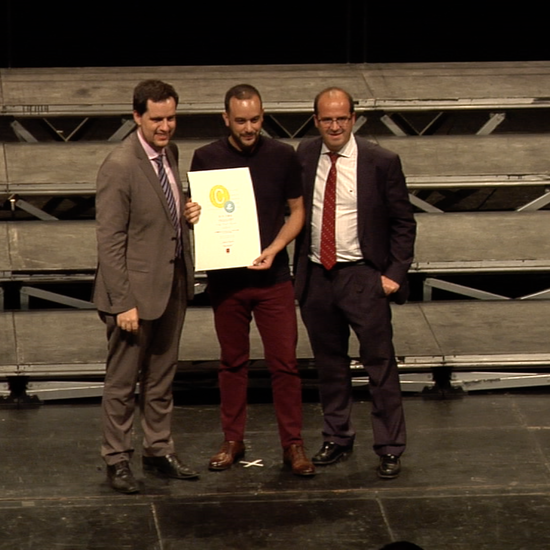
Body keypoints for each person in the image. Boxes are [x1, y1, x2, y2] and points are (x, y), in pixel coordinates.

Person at [189, 84, 315, 476]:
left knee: (285, 364)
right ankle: (233, 440)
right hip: (227, 280)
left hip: (273, 277)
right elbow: (201, 211)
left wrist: (275, 248)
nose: (249, 127)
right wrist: (192, 211)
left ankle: (293, 444)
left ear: (264, 115)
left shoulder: (281, 155)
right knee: (232, 363)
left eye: (255, 119)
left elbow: (298, 211)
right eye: (241, 120)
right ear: (226, 118)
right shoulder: (206, 157)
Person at [294, 87, 416, 479]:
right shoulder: (304, 155)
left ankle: (390, 446)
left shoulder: (381, 161)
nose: (334, 125)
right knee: (330, 365)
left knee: (380, 364)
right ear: (316, 120)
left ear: (353, 118)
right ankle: (337, 435)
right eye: (327, 119)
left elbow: (403, 223)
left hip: (363, 276)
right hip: (317, 275)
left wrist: (393, 276)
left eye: (341, 118)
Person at [94, 79, 201, 493]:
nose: (166, 126)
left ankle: (158, 449)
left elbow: (161, 211)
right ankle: (117, 459)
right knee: (123, 382)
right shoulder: (119, 164)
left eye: (171, 118)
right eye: (157, 119)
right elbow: (110, 239)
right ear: (137, 116)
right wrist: (122, 302)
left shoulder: (169, 153)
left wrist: (187, 212)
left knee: (161, 377)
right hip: (133, 294)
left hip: (171, 281)